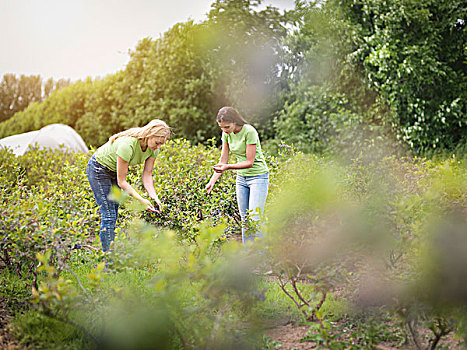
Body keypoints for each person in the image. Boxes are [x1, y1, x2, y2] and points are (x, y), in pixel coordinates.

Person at [86, 119, 170, 252]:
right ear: (149, 135)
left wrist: (154, 197)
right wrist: (141, 200)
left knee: (113, 212)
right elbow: (122, 181)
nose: (158, 147)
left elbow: (147, 176)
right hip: (98, 169)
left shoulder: (154, 150)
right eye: (157, 143)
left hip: (113, 171)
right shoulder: (128, 145)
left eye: (161, 144)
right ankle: (108, 262)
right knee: (108, 215)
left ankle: (110, 255)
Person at [205, 107, 269, 245]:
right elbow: (223, 161)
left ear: (235, 121)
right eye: (221, 128)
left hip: (258, 177)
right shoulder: (226, 134)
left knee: (255, 219)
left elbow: (249, 162)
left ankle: (263, 259)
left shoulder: (249, 131)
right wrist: (212, 181)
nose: (225, 130)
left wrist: (228, 167)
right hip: (241, 179)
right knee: (245, 219)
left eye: (227, 127)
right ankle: (248, 258)